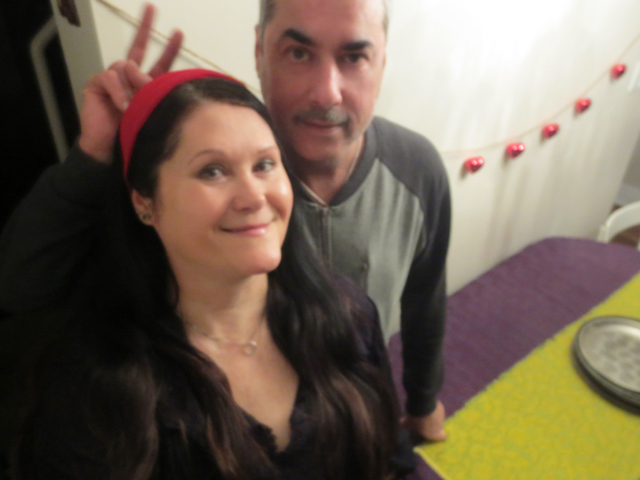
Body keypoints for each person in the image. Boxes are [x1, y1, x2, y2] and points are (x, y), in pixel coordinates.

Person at [0, 0, 450, 442]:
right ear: (259, 52)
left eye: (354, 57)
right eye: (298, 53)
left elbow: (425, 296)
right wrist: (96, 158)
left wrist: (422, 402)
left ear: (382, 62)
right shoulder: (179, 191)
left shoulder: (416, 169)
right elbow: (23, 285)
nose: (326, 93)